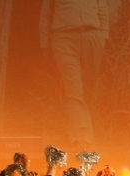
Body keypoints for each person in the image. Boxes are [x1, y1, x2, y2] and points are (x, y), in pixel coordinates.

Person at [39, 0, 109, 149]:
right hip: (64, 38)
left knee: (89, 88)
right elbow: (46, 12)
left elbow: (102, 7)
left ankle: (87, 129)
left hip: (92, 35)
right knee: (74, 88)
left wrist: (104, 34)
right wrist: (44, 42)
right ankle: (81, 138)